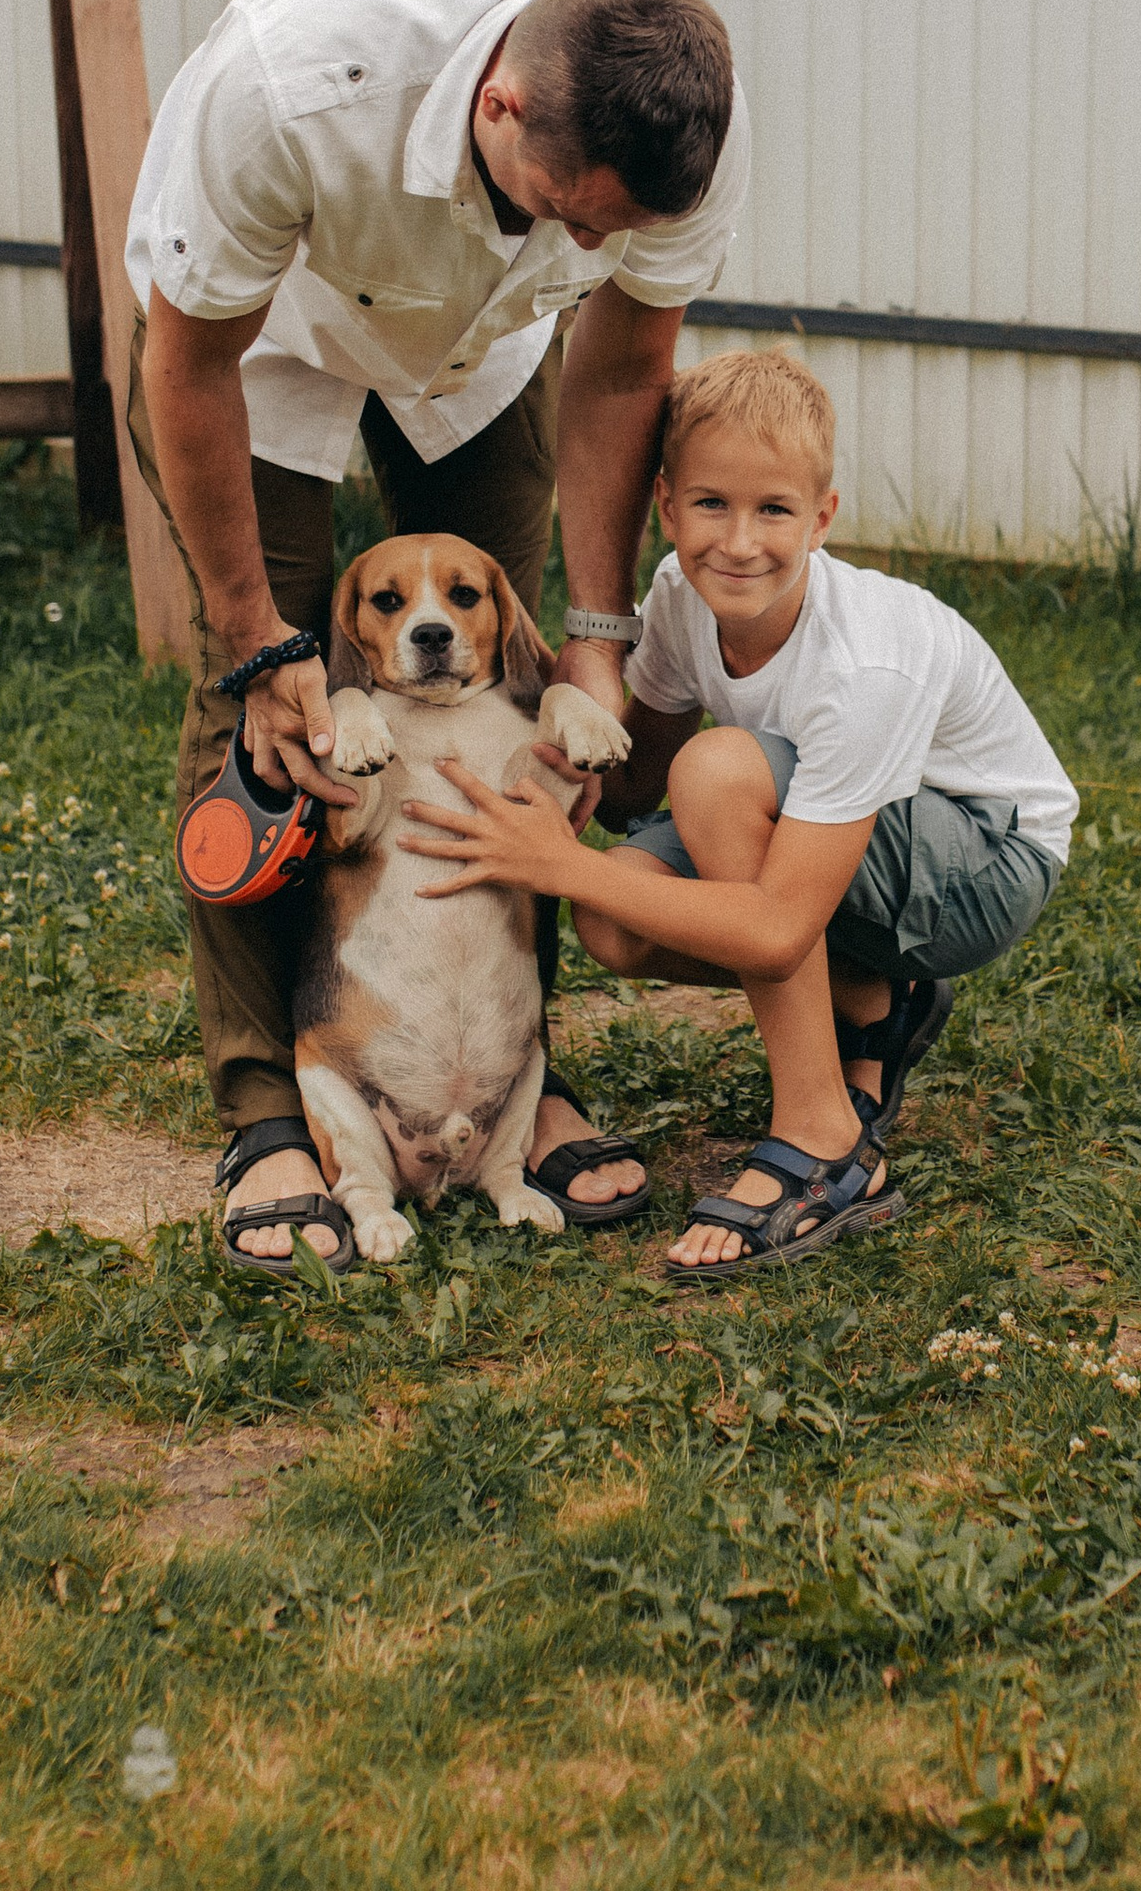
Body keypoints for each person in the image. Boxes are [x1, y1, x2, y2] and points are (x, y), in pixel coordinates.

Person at [124, 0, 747, 1274]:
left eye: (610, 233)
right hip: (263, 337)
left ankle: (508, 1075)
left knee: (511, 696)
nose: (591, 241)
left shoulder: (677, 137)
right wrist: (252, 635)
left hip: (484, 349)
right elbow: (187, 368)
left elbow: (625, 363)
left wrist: (595, 634)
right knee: (270, 714)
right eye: (567, 210)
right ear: (498, 101)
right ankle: (266, 1109)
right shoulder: (290, 93)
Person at [400, 346, 1076, 1279]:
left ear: (823, 517)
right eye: (711, 504)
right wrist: (566, 726)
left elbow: (768, 928)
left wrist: (554, 862)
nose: (739, 540)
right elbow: (634, 784)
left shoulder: (866, 662)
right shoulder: (681, 598)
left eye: (774, 510)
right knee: (613, 917)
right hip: (851, 837)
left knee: (716, 775)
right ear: (668, 505)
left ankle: (824, 1138)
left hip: (985, 861)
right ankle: (869, 998)